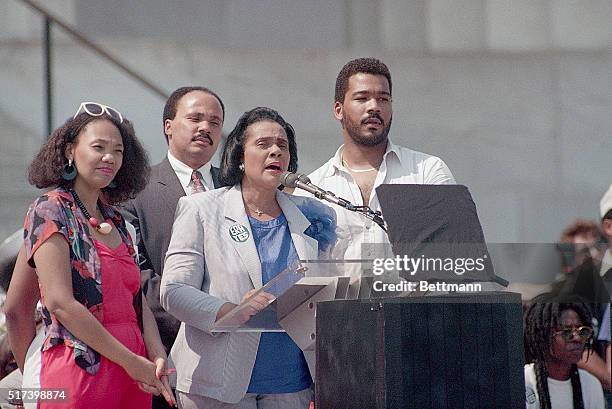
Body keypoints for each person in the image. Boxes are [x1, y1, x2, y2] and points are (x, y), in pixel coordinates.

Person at [160, 107, 336, 408]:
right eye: (264, 144)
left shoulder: (311, 216)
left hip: (291, 383)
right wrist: (229, 310)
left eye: (283, 146)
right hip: (217, 382)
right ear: (240, 156)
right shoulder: (201, 209)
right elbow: (173, 291)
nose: (276, 152)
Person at [14, 103, 175, 408]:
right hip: (79, 367)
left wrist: (156, 353)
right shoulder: (51, 209)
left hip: (134, 372)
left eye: (118, 151)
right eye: (98, 147)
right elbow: (61, 304)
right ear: (70, 151)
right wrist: (130, 360)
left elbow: (137, 301)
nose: (109, 158)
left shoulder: (118, 221)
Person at [295, 57, 455, 261]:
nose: (374, 107)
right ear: (338, 109)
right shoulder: (312, 189)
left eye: (383, 99)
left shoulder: (427, 172)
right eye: (362, 98)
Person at [122, 86, 225, 365]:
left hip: (235, 343)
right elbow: (135, 271)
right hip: (168, 345)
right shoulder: (136, 189)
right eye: (195, 119)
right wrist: (198, 315)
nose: (206, 127)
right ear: (169, 126)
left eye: (215, 122)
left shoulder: (236, 188)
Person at [523, 292, 605, 409]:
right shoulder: (523, 381)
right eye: (567, 332)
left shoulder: (591, 384)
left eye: (583, 331)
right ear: (544, 336)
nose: (577, 338)